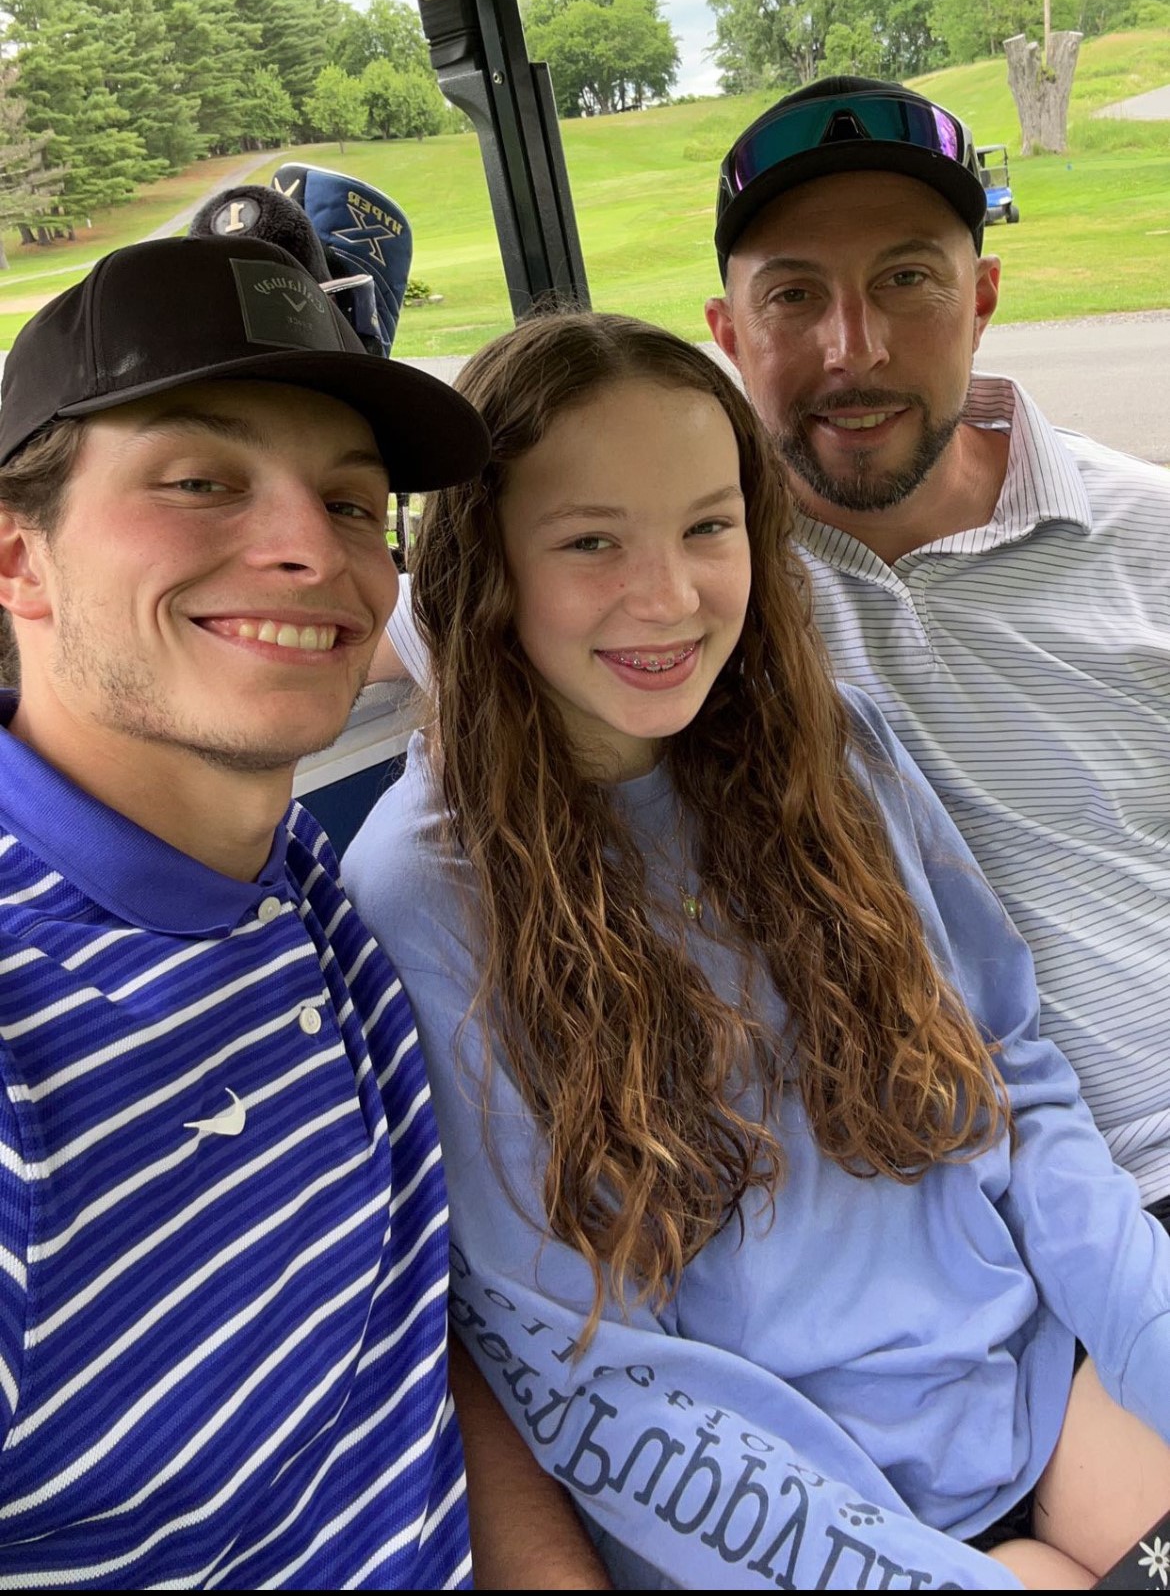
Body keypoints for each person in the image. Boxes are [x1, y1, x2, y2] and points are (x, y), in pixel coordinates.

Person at [345, 311, 1170, 1592]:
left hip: (1025, 1379)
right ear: (487, 560)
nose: (669, 594)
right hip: (766, 1514)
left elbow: (1014, 1072)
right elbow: (585, 1365)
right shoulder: (425, 890)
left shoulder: (827, 748)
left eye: (707, 526)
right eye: (590, 541)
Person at [376, 76, 1170, 1220]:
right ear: (728, 331)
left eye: (908, 278)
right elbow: (362, 628)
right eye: (796, 296)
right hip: (962, 1206)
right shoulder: (678, 576)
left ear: (983, 294)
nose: (857, 349)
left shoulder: (1143, 529)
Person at [0, 233, 608, 1588]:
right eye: (201, 482)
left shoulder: (282, 877)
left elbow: (392, 1339)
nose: (306, 551)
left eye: (348, 504)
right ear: (19, 562)